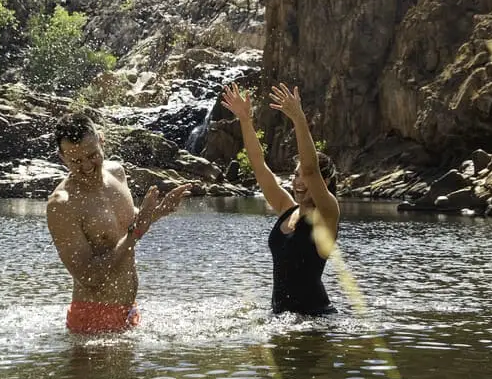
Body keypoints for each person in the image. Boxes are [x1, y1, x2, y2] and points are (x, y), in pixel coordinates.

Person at [46, 111, 191, 335]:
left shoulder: (117, 173)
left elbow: (129, 223)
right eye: (75, 161)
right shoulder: (62, 204)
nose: (86, 166)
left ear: (102, 141)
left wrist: (160, 211)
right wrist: (136, 233)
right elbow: (89, 277)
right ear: (62, 158)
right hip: (92, 319)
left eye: (92, 155)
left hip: (130, 311)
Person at [220, 82, 340, 316]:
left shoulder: (327, 213)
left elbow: (311, 168)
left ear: (323, 182)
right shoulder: (287, 207)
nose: (298, 181)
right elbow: (258, 166)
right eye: (295, 175)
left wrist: (298, 119)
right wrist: (245, 120)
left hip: (316, 319)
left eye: (303, 177)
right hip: (281, 318)